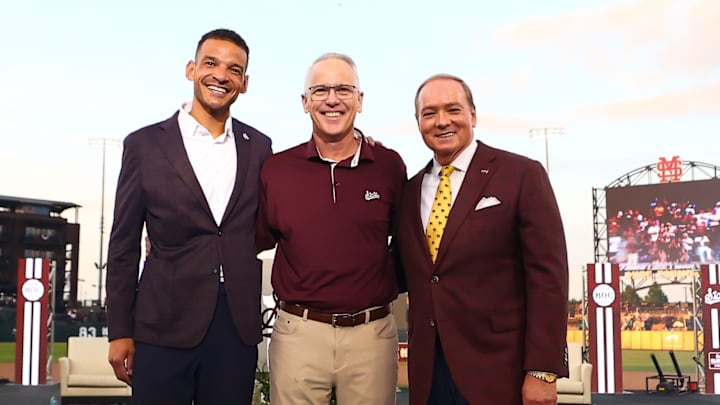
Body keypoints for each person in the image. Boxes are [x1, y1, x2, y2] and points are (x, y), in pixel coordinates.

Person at [106, 28, 272, 404]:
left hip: (236, 328)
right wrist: (119, 330)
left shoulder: (260, 147)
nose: (220, 75)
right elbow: (122, 246)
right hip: (162, 325)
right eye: (211, 63)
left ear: (244, 83)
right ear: (191, 69)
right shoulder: (144, 145)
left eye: (234, 69)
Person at [396, 74, 569, 404]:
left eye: (453, 109)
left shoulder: (521, 175)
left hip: (499, 371)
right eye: (429, 113)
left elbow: (549, 279)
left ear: (473, 115)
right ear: (418, 122)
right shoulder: (409, 191)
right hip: (429, 372)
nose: (442, 121)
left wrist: (542, 371)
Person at [256, 53, 406, 405]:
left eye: (343, 89)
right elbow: (251, 239)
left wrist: (378, 287)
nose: (332, 99)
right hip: (298, 334)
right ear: (305, 102)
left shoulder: (388, 165)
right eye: (320, 90)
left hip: (372, 335)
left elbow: (407, 242)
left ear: (360, 100)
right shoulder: (276, 170)